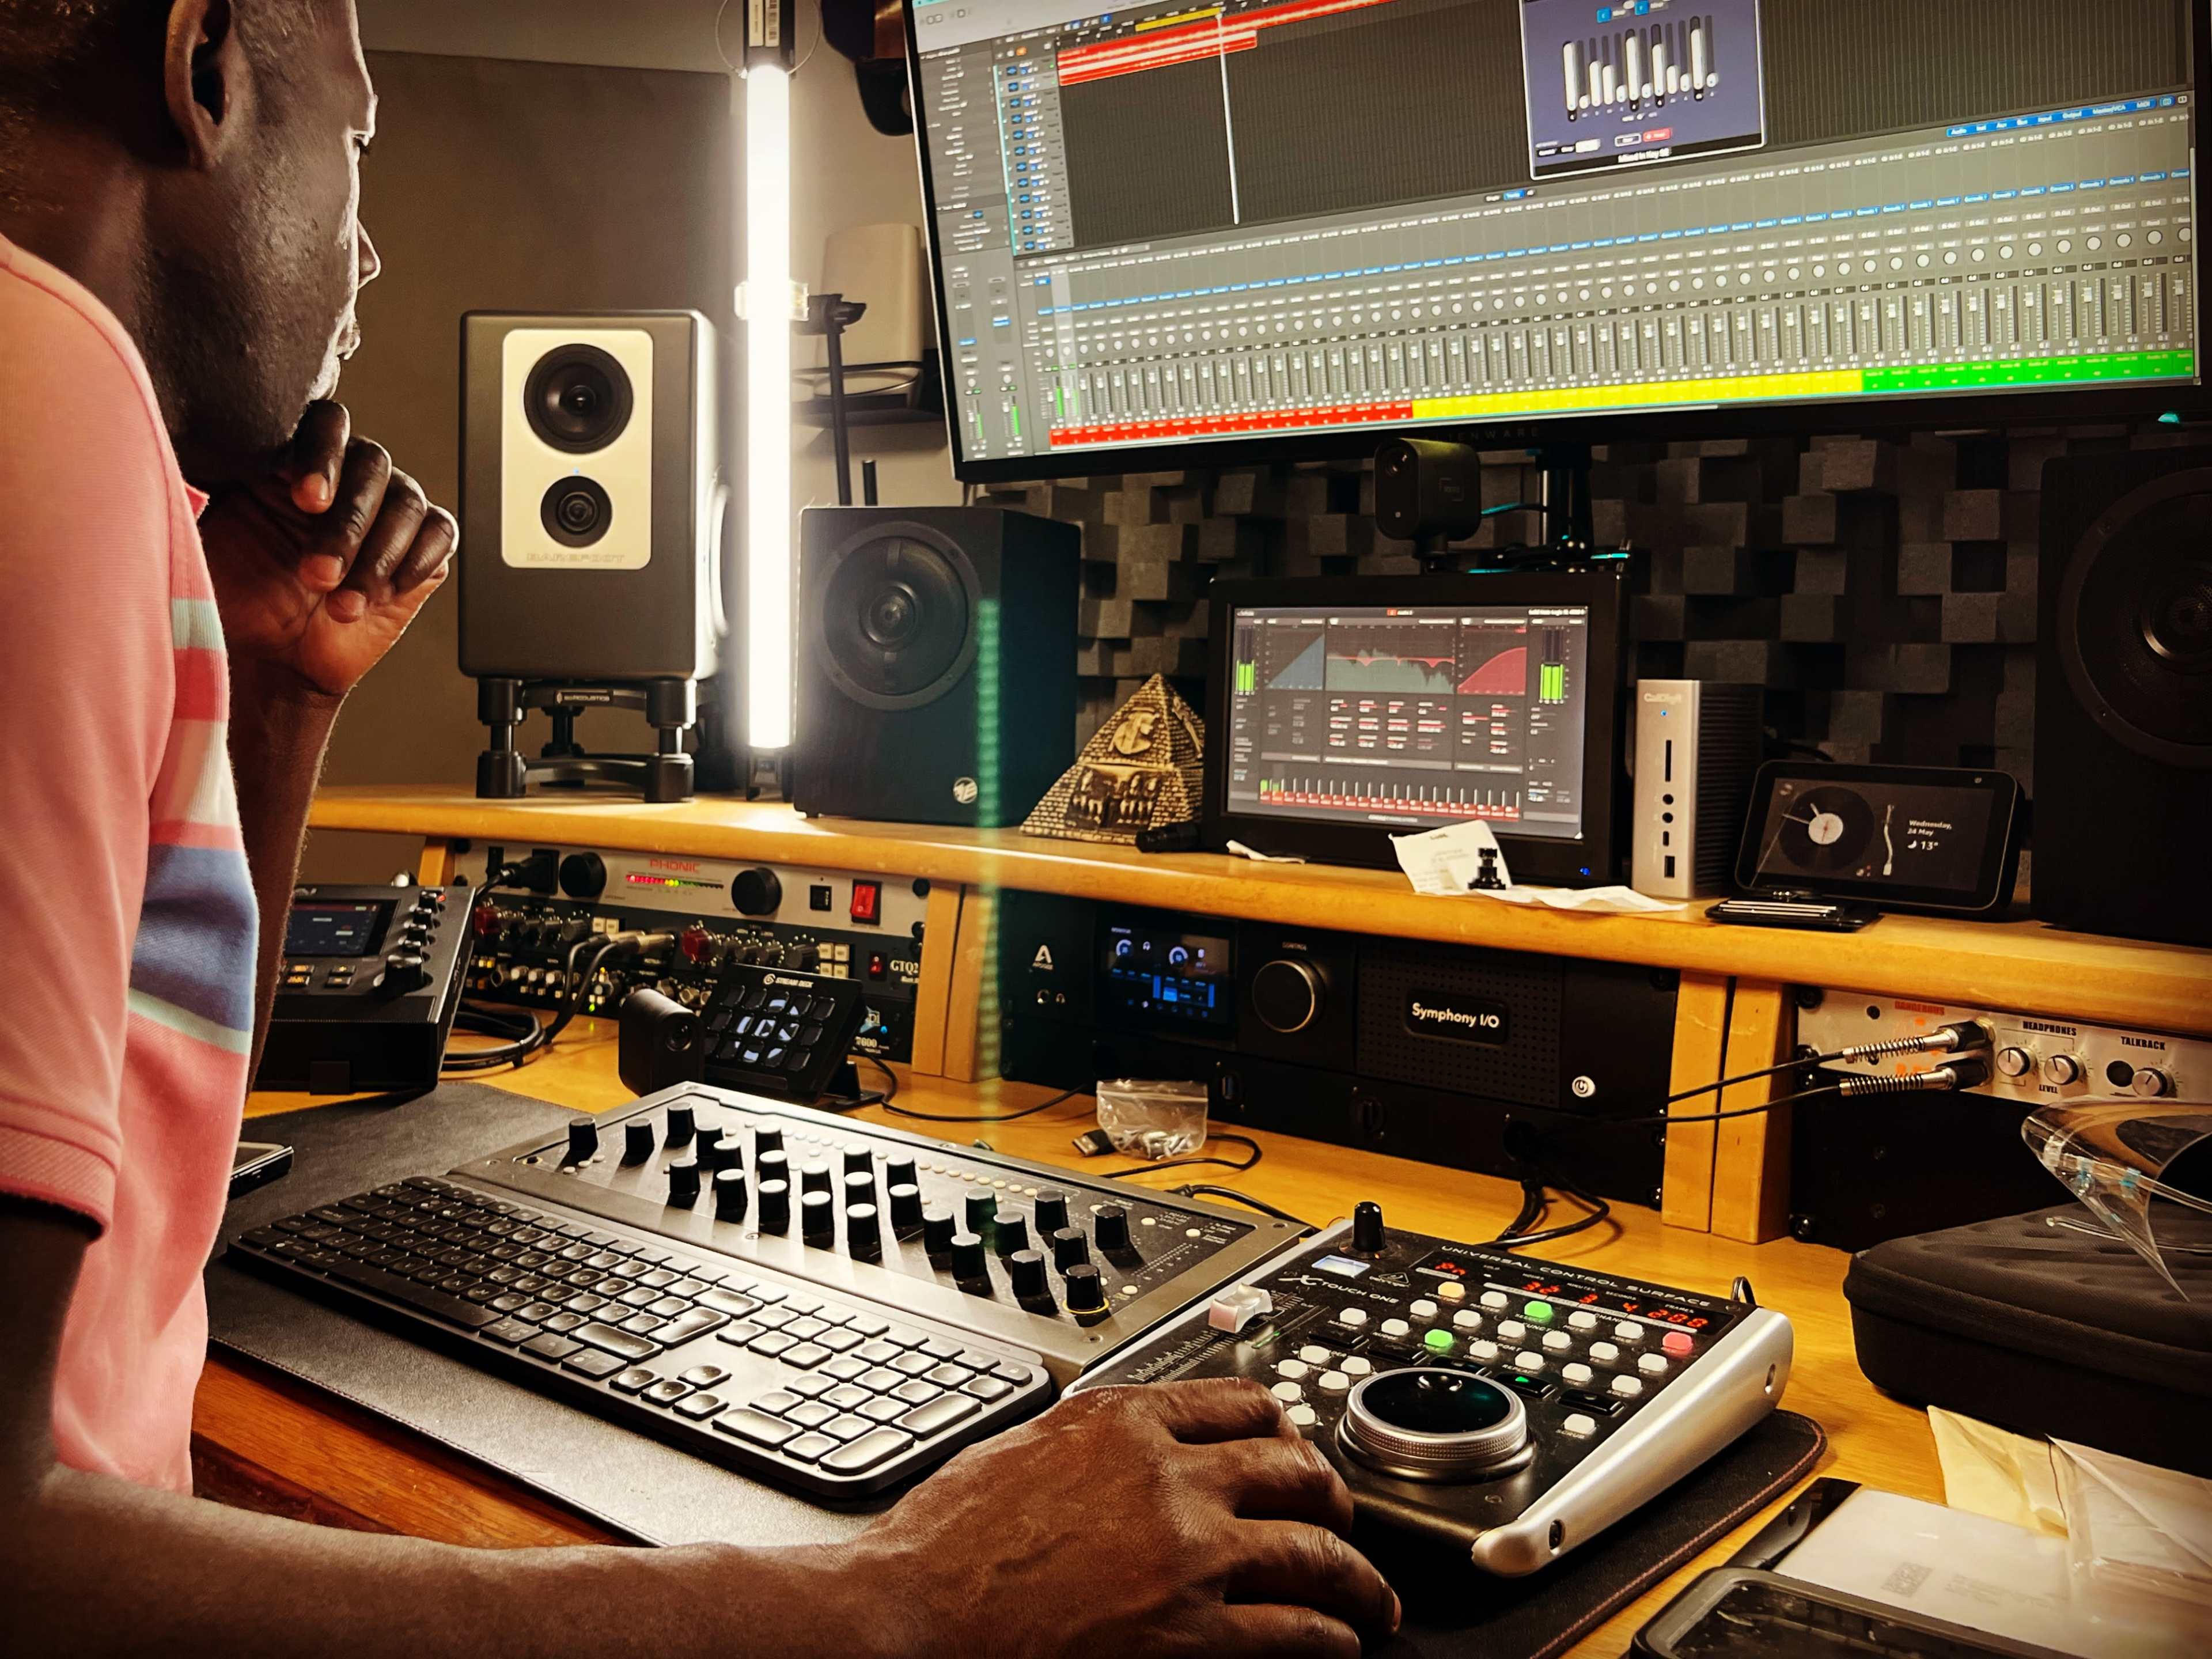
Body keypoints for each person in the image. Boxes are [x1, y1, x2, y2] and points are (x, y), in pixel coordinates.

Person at [0, 3, 1400, 1654]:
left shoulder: (103, 462)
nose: (368, 246)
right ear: (203, 69)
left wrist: (277, 691)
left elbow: (142, 1153)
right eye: (361, 139)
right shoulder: (51, 388)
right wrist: (896, 1603)